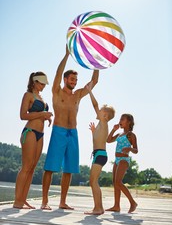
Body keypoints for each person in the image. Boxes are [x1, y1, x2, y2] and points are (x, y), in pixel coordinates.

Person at [41, 45, 99, 210]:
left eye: (76, 80)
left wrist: (97, 63)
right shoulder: (57, 92)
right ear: (66, 80)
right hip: (59, 131)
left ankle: (62, 202)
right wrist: (66, 55)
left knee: (69, 169)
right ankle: (45, 201)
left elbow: (94, 82)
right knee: (50, 168)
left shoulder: (78, 95)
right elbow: (58, 74)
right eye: (71, 79)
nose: (74, 82)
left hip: (73, 133)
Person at [13, 72, 53, 209]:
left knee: (32, 168)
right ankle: (17, 201)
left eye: (44, 84)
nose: (43, 86)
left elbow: (39, 115)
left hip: (40, 134)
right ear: (34, 82)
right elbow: (23, 115)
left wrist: (47, 118)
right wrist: (42, 114)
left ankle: (23, 199)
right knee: (26, 166)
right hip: (29, 132)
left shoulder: (41, 97)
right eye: (41, 83)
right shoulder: (28, 95)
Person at [84, 83, 115, 215]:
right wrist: (92, 132)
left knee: (93, 181)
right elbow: (97, 140)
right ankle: (99, 208)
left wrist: (90, 91)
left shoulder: (104, 122)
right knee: (93, 181)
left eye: (101, 110)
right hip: (98, 154)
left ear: (105, 115)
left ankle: (98, 208)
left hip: (100, 155)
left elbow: (95, 105)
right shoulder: (100, 125)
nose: (98, 111)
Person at [106, 113, 138, 213]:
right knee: (115, 183)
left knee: (118, 182)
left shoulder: (131, 135)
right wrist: (113, 130)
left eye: (122, 119)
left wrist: (129, 148)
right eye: (120, 119)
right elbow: (108, 140)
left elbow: (136, 150)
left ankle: (133, 202)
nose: (120, 121)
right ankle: (116, 206)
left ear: (129, 122)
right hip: (116, 160)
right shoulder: (120, 134)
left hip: (124, 159)